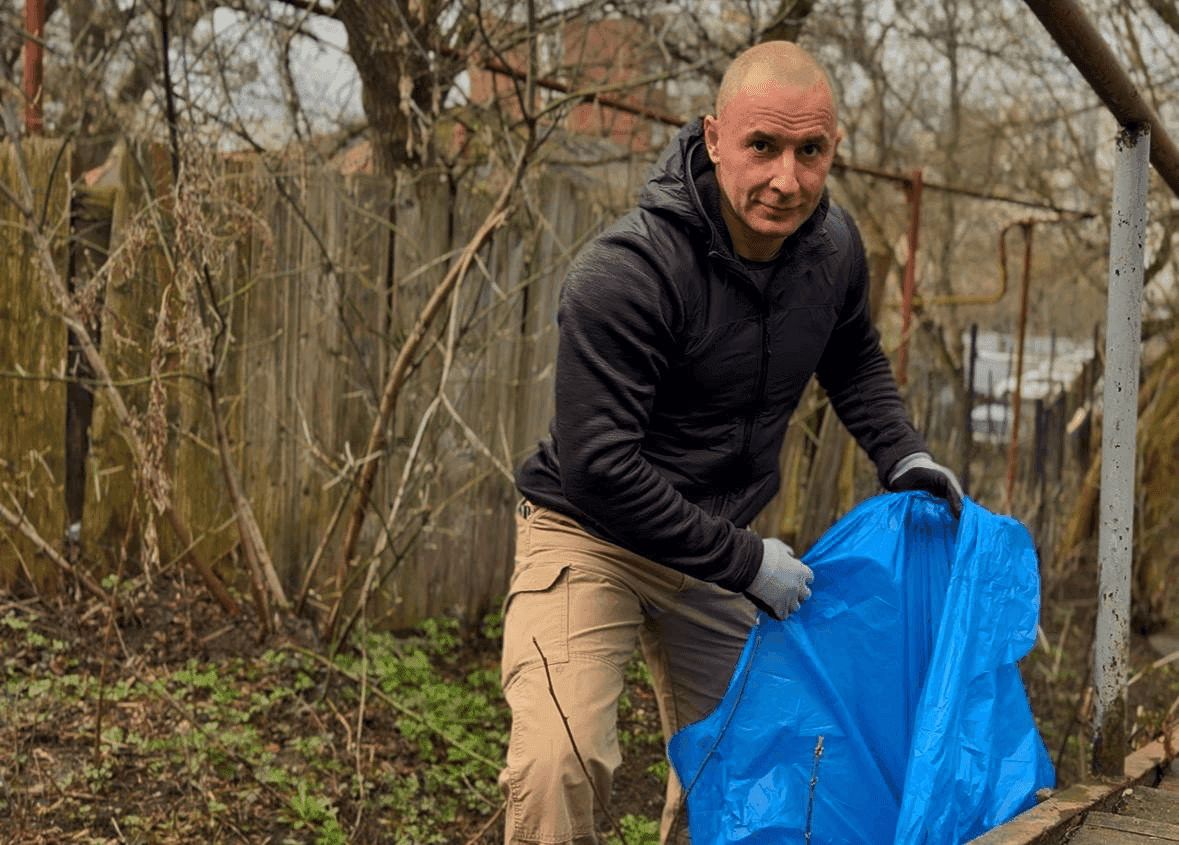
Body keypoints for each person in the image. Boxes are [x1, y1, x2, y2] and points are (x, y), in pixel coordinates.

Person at [498, 40, 964, 845]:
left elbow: (849, 353)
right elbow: (600, 469)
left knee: (753, 773)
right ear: (713, 139)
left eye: (809, 151)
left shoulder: (832, 252)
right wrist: (748, 563)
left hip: (714, 550)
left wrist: (903, 455)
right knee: (557, 763)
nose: (786, 179)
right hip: (589, 534)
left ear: (831, 152)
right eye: (762, 146)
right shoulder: (627, 274)